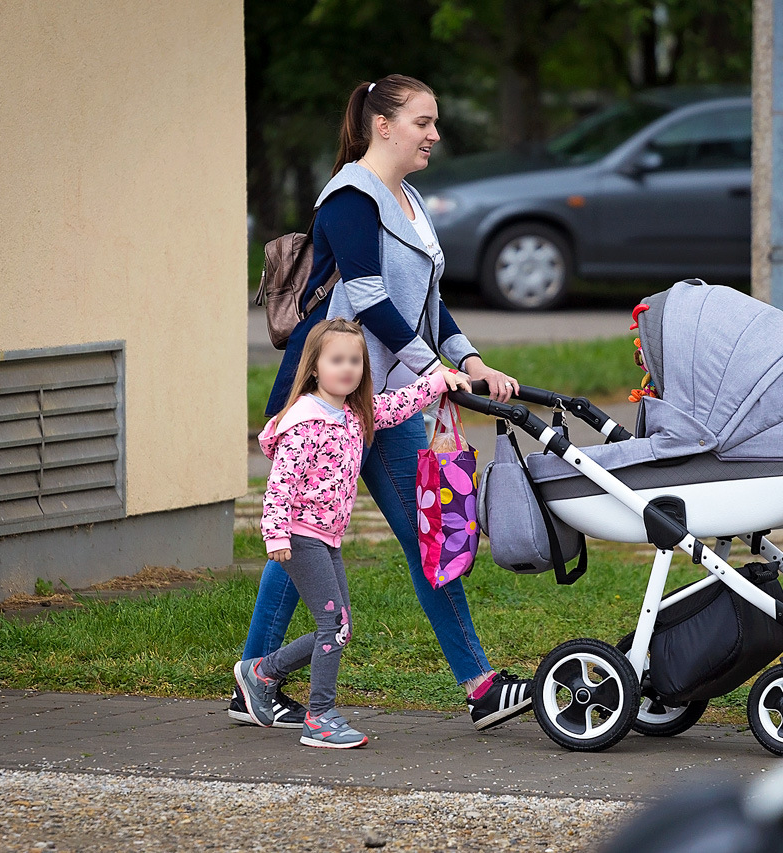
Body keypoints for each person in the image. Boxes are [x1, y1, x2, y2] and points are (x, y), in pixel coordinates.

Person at [231, 74, 533, 732]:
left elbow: (430, 300)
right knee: (304, 535)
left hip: (385, 399)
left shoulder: (411, 201)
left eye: (435, 122)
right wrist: (439, 370)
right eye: (423, 122)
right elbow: (367, 297)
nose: (434, 134)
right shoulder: (348, 196)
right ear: (383, 126)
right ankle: (256, 675)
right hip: (327, 402)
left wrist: (470, 358)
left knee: (426, 538)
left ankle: (478, 684)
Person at [236, 318, 468, 748]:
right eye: (336, 360)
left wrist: (438, 381)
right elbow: (279, 485)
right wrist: (276, 536)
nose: (347, 369)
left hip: (328, 536)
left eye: (355, 361)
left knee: (341, 626)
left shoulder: (355, 414)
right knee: (335, 625)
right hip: (301, 535)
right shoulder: (304, 422)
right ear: (314, 368)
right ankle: (320, 717)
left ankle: (262, 672)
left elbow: (398, 405)